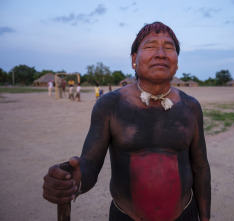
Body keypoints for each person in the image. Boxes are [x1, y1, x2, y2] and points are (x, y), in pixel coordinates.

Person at [43, 21, 211, 221]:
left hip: (185, 215)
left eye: (169, 48)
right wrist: (73, 182)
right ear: (134, 60)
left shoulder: (190, 107)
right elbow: (90, 162)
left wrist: (205, 218)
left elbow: (200, 167)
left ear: (176, 61)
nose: (160, 53)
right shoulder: (111, 104)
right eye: (150, 47)